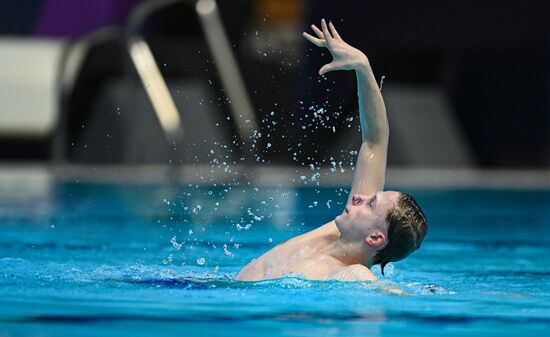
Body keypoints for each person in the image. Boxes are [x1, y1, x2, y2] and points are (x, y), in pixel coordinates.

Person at [236, 19, 427, 285]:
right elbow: (375, 140)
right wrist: (363, 67)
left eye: (371, 204)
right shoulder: (339, 232)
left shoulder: (352, 273)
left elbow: (391, 296)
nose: (360, 198)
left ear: (374, 238)